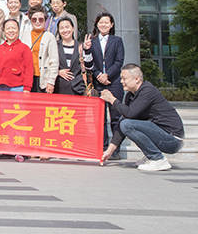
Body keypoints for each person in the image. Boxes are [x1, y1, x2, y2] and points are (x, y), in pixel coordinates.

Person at [101, 64, 185, 171]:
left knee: (127, 124)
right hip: (161, 135)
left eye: (124, 78)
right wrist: (109, 151)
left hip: (173, 140)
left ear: (137, 79)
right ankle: (151, 157)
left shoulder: (147, 90)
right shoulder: (131, 95)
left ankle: (157, 159)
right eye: (121, 78)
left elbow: (130, 114)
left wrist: (112, 100)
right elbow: (124, 119)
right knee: (125, 123)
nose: (121, 81)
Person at [85, 12, 125, 160]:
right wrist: (87, 50)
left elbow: (119, 61)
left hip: (114, 83)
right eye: (101, 22)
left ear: (111, 25)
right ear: (97, 24)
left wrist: (107, 75)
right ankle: (103, 147)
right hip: (98, 83)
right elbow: (88, 64)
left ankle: (115, 149)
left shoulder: (117, 41)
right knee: (100, 118)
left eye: (106, 22)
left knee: (115, 117)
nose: (103, 25)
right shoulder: (92, 41)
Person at [20, 5, 59, 94]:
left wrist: (51, 82)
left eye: (41, 19)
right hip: (26, 78)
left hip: (43, 79)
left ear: (45, 20)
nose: (37, 22)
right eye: (34, 19)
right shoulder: (23, 35)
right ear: (30, 20)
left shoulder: (49, 37)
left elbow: (54, 62)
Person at [0, 19, 34, 92]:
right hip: (1, 86)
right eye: (8, 28)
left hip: (18, 87)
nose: (11, 31)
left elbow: (29, 69)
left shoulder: (25, 48)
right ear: (4, 32)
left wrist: (27, 88)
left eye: (14, 28)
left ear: (18, 30)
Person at [55, 17, 87, 95]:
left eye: (67, 27)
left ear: (73, 28)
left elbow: (88, 66)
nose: (65, 30)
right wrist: (58, 72)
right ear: (58, 31)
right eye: (62, 28)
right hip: (59, 89)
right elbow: (47, 65)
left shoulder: (81, 46)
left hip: (78, 89)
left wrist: (88, 50)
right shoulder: (55, 46)